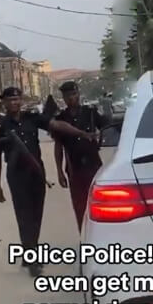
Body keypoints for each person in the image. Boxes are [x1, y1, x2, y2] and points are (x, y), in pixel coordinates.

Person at [0, 86, 96, 277]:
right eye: (10, 100)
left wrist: (81, 133)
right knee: (24, 217)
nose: (14, 103)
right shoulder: (0, 127)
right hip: (17, 176)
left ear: (21, 101)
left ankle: (30, 249)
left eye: (17, 99)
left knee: (36, 216)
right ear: (4, 103)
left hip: (36, 174)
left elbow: (57, 126)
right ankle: (32, 259)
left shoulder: (32, 118)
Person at [54, 81, 108, 232]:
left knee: (98, 204)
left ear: (78, 94)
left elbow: (106, 126)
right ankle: (84, 236)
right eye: (68, 96)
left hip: (93, 165)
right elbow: (58, 146)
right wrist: (59, 171)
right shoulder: (61, 118)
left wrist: (101, 137)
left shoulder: (90, 112)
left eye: (74, 94)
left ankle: (99, 235)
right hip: (74, 167)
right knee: (79, 206)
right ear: (63, 98)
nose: (71, 98)